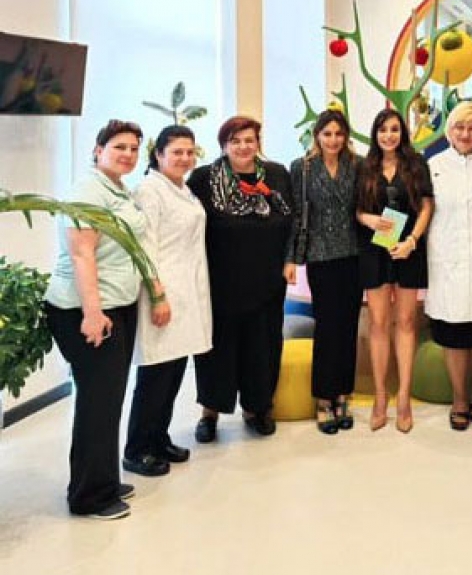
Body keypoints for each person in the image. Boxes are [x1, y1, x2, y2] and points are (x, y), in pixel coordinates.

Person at [44, 120, 148, 520]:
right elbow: (81, 254)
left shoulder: (117, 188)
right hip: (85, 309)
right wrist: (92, 312)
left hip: (116, 305)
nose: (128, 154)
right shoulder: (87, 191)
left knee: (108, 399)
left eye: (133, 148)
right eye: (119, 146)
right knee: (97, 401)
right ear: (98, 149)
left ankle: (103, 479)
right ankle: (89, 496)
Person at [187, 116, 293, 442]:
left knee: (262, 348)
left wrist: (290, 260)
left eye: (249, 140)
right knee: (216, 351)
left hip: (267, 281)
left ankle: (257, 408)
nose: (244, 146)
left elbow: (292, 220)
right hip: (220, 282)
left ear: (258, 142)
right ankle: (210, 413)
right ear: (224, 145)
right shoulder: (204, 178)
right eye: (235, 141)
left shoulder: (276, 175)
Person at [124, 125, 212, 475]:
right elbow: (144, 248)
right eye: (177, 152)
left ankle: (158, 438)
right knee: (155, 374)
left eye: (190, 152)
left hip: (186, 290)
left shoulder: (182, 189)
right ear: (158, 155)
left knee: (174, 370)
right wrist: (157, 296)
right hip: (162, 292)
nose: (185, 158)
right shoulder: (149, 190)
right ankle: (136, 449)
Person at [356, 109, 434, 433]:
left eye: (394, 129)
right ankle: (380, 396)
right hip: (374, 249)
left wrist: (412, 241)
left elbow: (427, 205)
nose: (388, 135)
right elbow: (356, 209)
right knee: (377, 323)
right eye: (382, 130)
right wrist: (369, 219)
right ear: (375, 134)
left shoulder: (416, 164)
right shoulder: (364, 167)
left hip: (407, 249)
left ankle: (403, 397)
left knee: (406, 322)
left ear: (402, 132)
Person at [288, 109, 362, 435]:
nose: (333, 140)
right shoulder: (302, 168)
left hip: (353, 254)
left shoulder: (357, 166)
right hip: (320, 256)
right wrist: (291, 258)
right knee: (327, 328)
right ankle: (323, 399)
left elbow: (367, 206)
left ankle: (343, 395)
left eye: (339, 134)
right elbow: (295, 215)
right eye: (327, 133)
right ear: (317, 135)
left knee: (347, 327)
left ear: (346, 136)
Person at [425, 102, 472, 430]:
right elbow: (417, 209)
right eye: (459, 127)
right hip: (446, 261)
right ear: (448, 130)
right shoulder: (434, 166)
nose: (466, 134)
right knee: (453, 332)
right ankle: (459, 399)